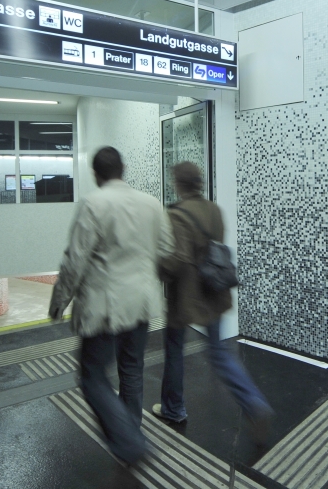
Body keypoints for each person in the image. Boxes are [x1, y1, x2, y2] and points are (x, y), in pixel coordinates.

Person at [49, 146, 173, 465]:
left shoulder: (94, 203)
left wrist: (59, 300)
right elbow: (166, 249)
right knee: (131, 370)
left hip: (106, 306)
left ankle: (129, 442)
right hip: (142, 303)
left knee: (92, 375)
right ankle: (130, 433)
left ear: (95, 174)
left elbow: (75, 259)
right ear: (124, 168)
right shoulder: (151, 203)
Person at [152, 161, 273, 439]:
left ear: (179, 185)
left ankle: (173, 408)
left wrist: (157, 267)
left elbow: (179, 259)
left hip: (185, 298)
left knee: (174, 351)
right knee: (219, 353)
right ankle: (255, 404)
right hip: (214, 292)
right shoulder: (215, 210)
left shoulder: (177, 214)